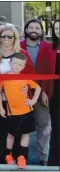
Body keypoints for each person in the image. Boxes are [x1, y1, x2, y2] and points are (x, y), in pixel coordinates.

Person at [0, 23, 36, 164]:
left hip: (18, 101)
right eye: (3, 36)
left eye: (10, 36)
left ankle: (20, 159)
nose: (6, 39)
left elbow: (31, 77)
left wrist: (26, 90)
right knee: (0, 131)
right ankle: (1, 160)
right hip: (0, 100)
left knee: (19, 132)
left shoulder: (22, 54)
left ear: (15, 38)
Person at [0, 53, 41, 169]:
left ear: (24, 66)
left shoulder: (25, 77)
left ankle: (22, 157)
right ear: (10, 63)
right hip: (11, 112)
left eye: (20, 65)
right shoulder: (4, 77)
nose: (17, 66)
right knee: (11, 135)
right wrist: (1, 107)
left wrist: (33, 100)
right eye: (15, 63)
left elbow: (38, 88)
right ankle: (8, 155)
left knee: (25, 135)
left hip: (26, 111)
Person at [20, 19, 56, 166]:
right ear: (26, 29)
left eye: (37, 28)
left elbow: (50, 71)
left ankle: (43, 158)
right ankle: (22, 157)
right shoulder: (19, 45)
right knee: (22, 126)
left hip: (42, 92)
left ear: (41, 32)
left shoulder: (48, 47)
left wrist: (45, 91)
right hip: (22, 92)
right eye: (31, 27)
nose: (34, 30)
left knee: (44, 126)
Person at [49, 19, 60, 166]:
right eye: (56, 28)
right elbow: (45, 71)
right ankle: (55, 160)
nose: (58, 30)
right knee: (57, 126)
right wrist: (45, 92)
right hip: (56, 93)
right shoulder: (50, 48)